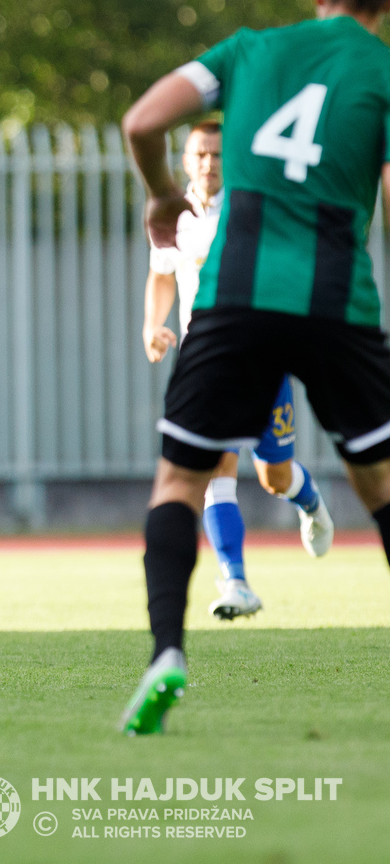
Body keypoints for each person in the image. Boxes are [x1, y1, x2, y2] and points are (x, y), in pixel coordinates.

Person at [118, 0, 390, 734]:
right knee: (381, 488)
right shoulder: (381, 71)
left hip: (234, 302)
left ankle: (168, 650)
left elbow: (141, 121)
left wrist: (164, 194)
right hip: (338, 305)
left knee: (179, 482)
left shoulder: (247, 52)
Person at [142, 120, 333, 621]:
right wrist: (151, 325)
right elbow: (162, 274)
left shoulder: (251, 207)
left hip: (263, 355)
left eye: (217, 155)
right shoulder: (171, 214)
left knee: (274, 476)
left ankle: (310, 504)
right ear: (185, 160)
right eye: (199, 155)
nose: (208, 164)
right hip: (205, 360)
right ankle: (236, 581)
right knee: (214, 470)